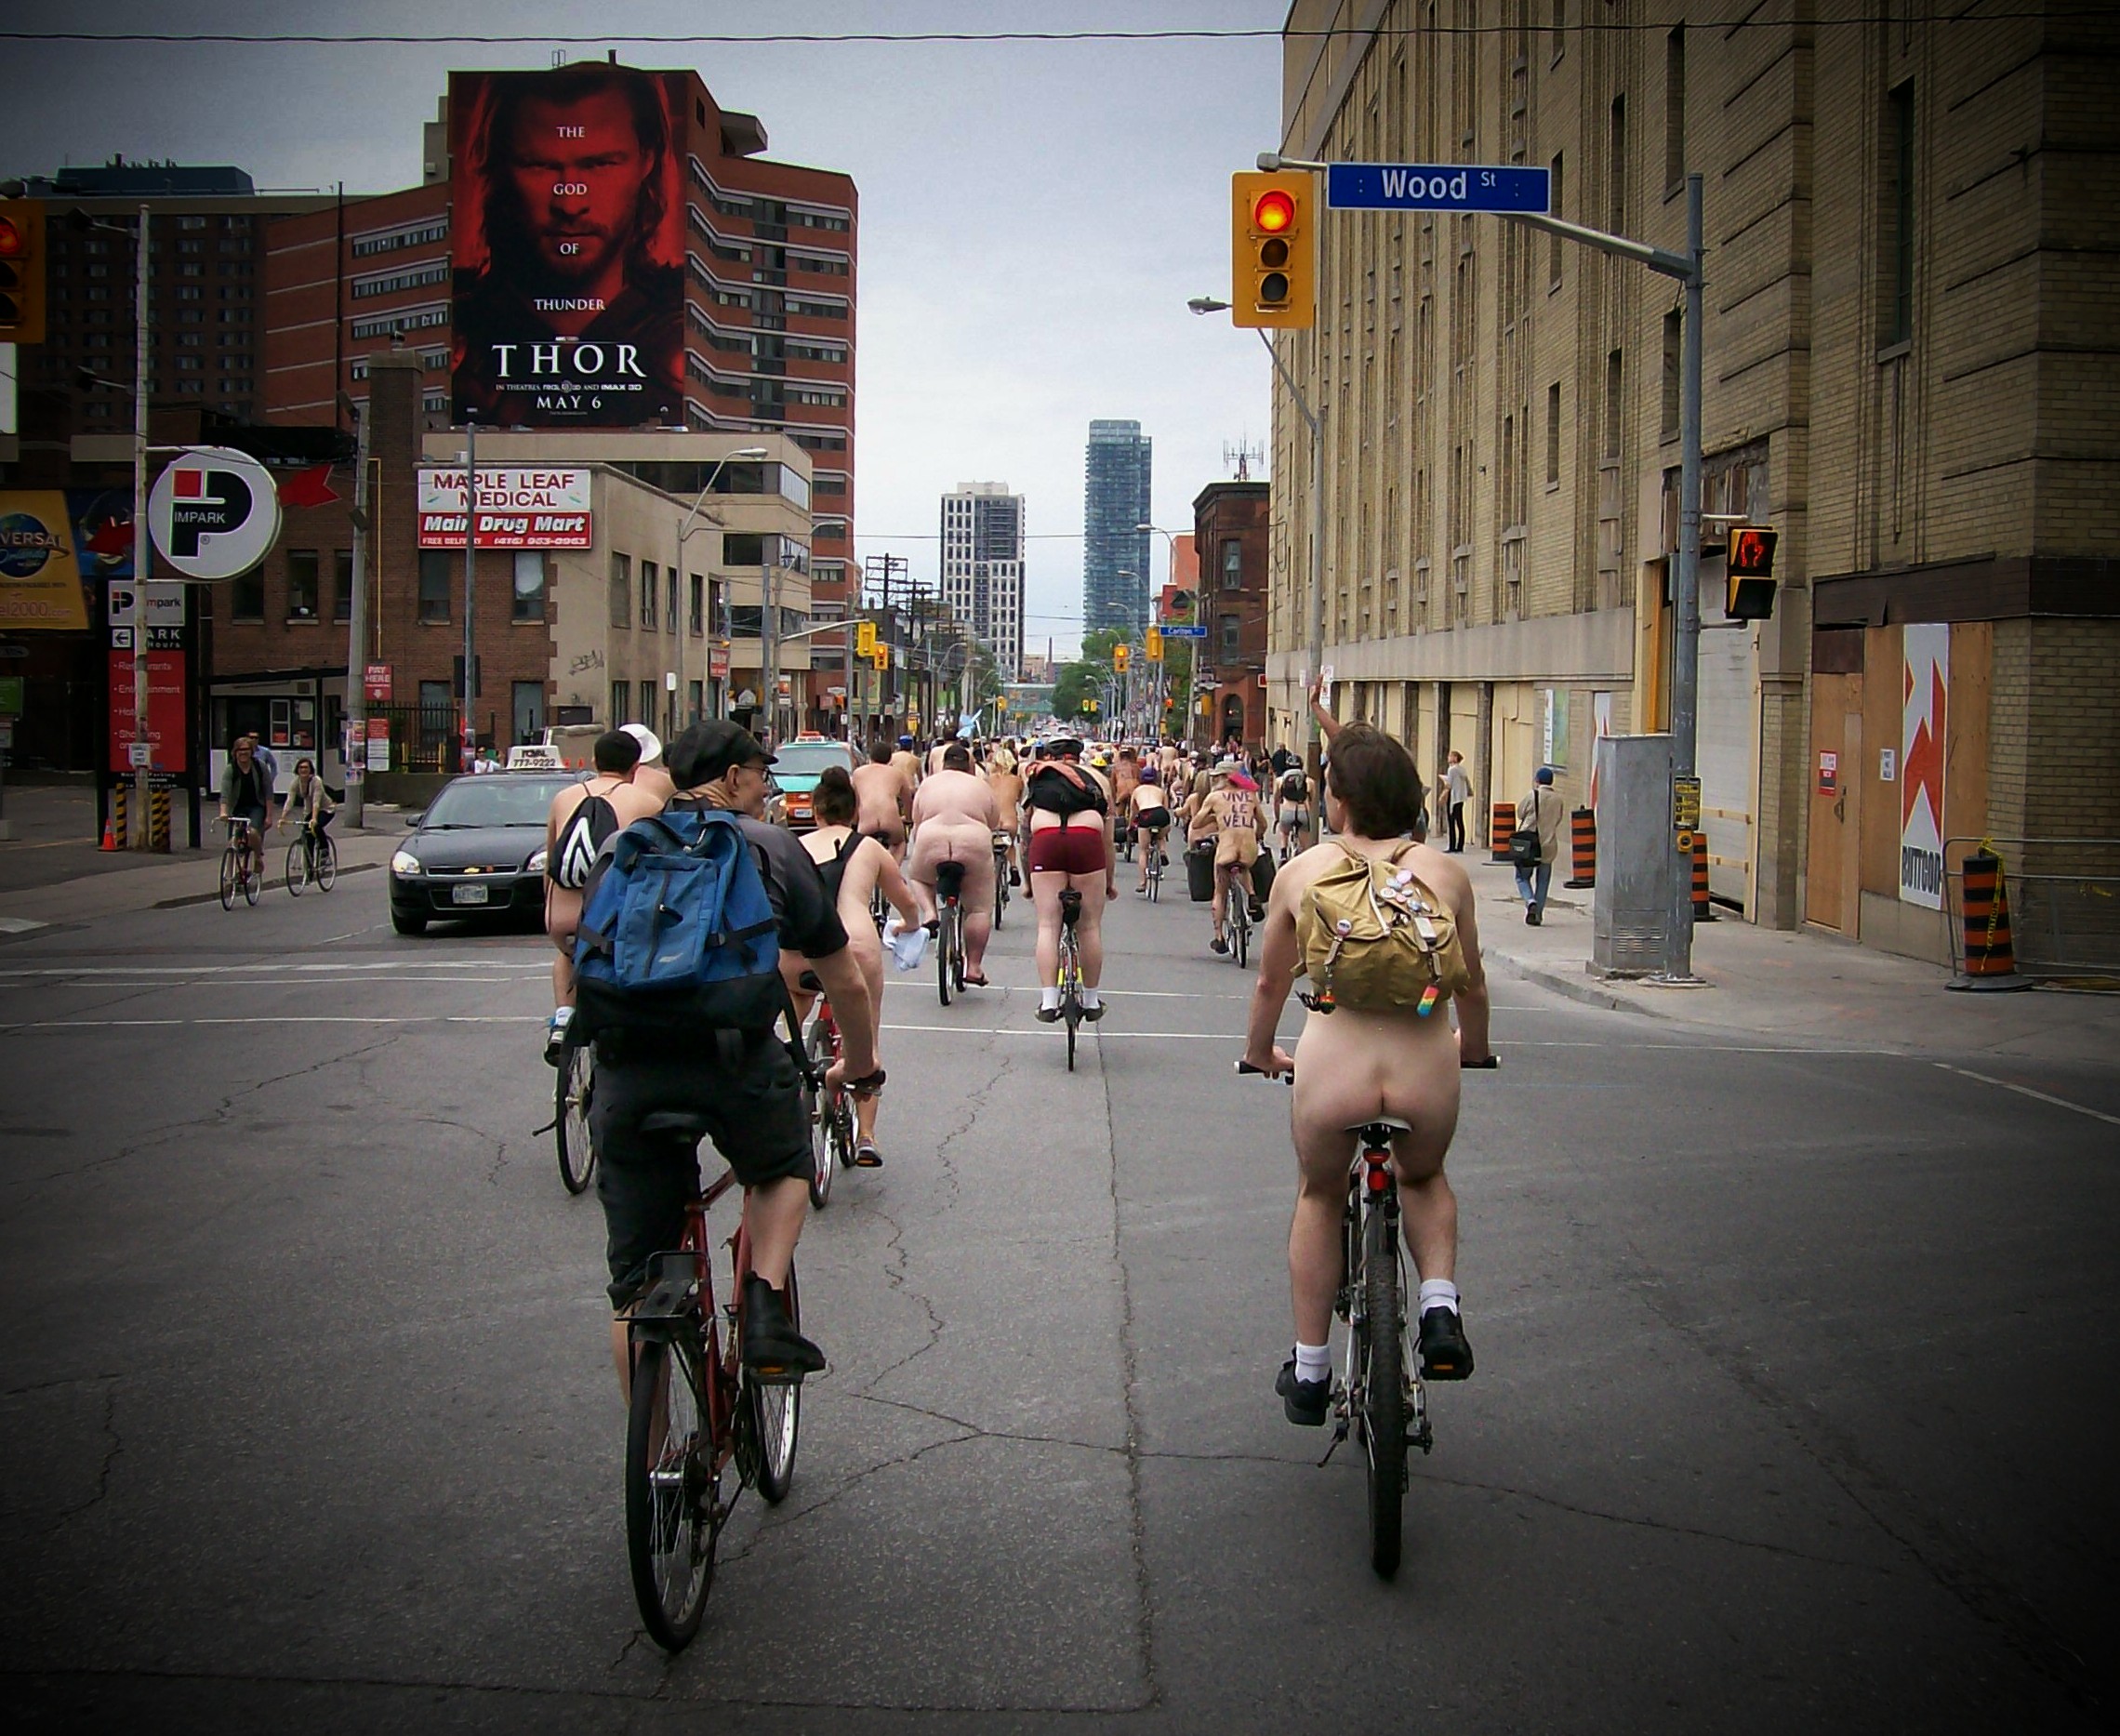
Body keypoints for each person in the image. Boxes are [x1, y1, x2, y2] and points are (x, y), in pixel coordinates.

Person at [590, 720, 881, 1386]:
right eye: (760, 774)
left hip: (629, 1065)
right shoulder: (772, 847)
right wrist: (861, 1066)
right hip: (732, 1060)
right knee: (782, 1166)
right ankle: (763, 1304)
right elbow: (843, 980)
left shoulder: (621, 847)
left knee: (634, 1291)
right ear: (731, 778)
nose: (766, 788)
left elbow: (583, 948)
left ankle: (654, 1440)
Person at [1240, 722, 1492, 1426]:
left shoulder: (1302, 872)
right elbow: (1470, 984)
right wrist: (1473, 1048)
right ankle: (1438, 1306)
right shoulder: (1445, 874)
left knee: (1321, 1194)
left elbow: (1269, 985)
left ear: (1342, 801)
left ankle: (1311, 1370)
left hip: (1334, 1064)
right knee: (1424, 1178)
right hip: (1424, 1063)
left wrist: (1260, 1052)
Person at [450, 61, 685, 428]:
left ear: (647, 159)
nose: (570, 204)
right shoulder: (464, 336)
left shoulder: (675, 333)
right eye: (538, 166)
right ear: (500, 168)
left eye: (600, 164)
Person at [796, 765, 921, 1166]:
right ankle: (866, 1135)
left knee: (788, 1022)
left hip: (796, 950)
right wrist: (909, 925)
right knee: (866, 1044)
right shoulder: (868, 849)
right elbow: (906, 901)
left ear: (815, 810)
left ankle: (790, 1077)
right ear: (855, 813)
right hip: (853, 947)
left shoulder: (793, 846)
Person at [542, 729, 663, 1062]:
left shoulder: (563, 799)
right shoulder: (647, 803)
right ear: (636, 766)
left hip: (563, 920)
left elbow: (550, 862)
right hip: (616, 920)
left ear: (595, 760)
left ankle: (563, 1017)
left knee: (567, 955)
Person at [1024, 736, 1114, 1021]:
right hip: (1087, 839)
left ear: (1050, 757)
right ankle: (1091, 1000)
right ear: (1079, 755)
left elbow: (1025, 834)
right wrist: (1109, 881)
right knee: (1089, 927)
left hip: (1046, 840)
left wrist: (1027, 881)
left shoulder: (1039, 775)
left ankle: (1049, 1002)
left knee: (1048, 925)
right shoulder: (1099, 779)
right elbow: (1108, 840)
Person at [907, 742, 1003, 986]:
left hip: (932, 836)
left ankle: (930, 912)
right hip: (972, 839)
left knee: (918, 877)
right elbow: (994, 822)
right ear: (969, 765)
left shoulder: (928, 784)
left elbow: (916, 821)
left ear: (943, 763)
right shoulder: (980, 785)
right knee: (979, 909)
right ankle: (974, 966)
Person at [1189, 758, 1264, 954]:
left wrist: (1215, 817)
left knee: (1220, 893)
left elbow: (1196, 824)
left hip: (1226, 850)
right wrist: (1256, 835)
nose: (1214, 780)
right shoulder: (1250, 795)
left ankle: (1219, 937)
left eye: (1216, 777)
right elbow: (1262, 824)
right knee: (1243, 867)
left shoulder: (1215, 797)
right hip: (1248, 849)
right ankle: (1252, 896)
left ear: (1224, 778)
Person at [217, 736, 273, 883]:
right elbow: (225, 793)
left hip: (256, 806)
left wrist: (269, 816)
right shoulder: (231, 769)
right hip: (237, 807)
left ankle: (258, 858)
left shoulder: (260, 767)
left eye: (246, 749)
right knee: (233, 842)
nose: (243, 753)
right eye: (240, 750)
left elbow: (268, 793)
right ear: (235, 752)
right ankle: (230, 877)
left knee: (252, 832)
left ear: (251, 751)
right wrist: (223, 812)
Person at [1515, 765, 1564, 924]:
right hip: (1548, 844)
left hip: (1529, 844)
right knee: (1543, 880)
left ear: (1537, 780)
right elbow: (1558, 819)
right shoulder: (1558, 799)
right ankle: (1538, 915)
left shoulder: (1533, 795)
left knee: (1522, 877)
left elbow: (1520, 813)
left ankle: (1530, 901)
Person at [853, 737, 914, 858]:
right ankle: (893, 868)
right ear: (890, 758)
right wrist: (908, 819)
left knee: (861, 847)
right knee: (900, 843)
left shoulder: (858, 773)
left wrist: (854, 822)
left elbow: (855, 802)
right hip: (890, 820)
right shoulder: (898, 774)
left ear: (870, 756)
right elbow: (908, 801)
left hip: (867, 822)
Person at [281, 756, 336, 868]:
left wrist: (314, 819)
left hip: (326, 809)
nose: (303, 770)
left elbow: (316, 802)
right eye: (301, 767)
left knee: (316, 826)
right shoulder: (296, 782)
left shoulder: (316, 781)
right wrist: (283, 817)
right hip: (310, 811)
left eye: (306, 767)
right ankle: (309, 869)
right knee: (308, 835)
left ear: (310, 769)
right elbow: (290, 800)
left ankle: (324, 852)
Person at [1129, 764, 1174, 894]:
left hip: (1146, 814)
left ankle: (1142, 883)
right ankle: (1162, 852)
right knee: (1161, 836)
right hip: (1161, 814)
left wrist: (1130, 825)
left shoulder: (1137, 791)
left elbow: (1133, 811)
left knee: (1143, 850)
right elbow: (1166, 809)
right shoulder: (1160, 791)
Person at [986, 744, 1026, 887]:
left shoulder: (988, 780)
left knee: (990, 846)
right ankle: (1013, 867)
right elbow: (1020, 800)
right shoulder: (1017, 781)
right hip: (1010, 821)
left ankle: (992, 872)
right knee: (1010, 845)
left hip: (993, 821)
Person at [1275, 761, 1313, 859]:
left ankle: (1283, 853)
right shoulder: (1309, 781)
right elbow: (1311, 800)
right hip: (1302, 811)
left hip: (1287, 811)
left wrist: (1277, 817)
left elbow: (1276, 801)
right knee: (1304, 846)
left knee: (1283, 832)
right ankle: (1302, 856)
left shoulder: (1280, 780)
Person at [1444, 749, 1473, 854]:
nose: (1448, 758)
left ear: (1455, 758)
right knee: (1460, 821)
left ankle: (1452, 845)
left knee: (1451, 822)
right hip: (1461, 797)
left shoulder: (1452, 770)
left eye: (1450, 756)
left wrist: (1442, 796)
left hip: (1453, 797)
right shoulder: (1462, 770)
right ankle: (1460, 846)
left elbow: (1449, 785)